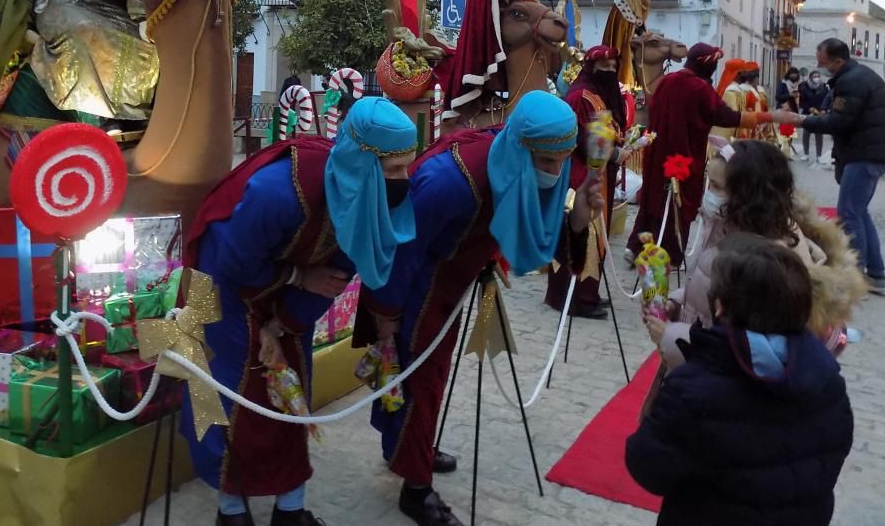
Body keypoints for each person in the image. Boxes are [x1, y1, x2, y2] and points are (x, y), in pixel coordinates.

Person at [179, 97, 418, 526]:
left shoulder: (365, 199)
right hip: (220, 284)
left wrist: (282, 322)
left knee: (291, 389)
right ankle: (231, 512)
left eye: (408, 166)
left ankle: (290, 510)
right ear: (361, 164)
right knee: (230, 393)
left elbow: (334, 277)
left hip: (283, 285)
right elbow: (234, 262)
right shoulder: (277, 192)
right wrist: (293, 280)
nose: (405, 181)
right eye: (394, 170)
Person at [359, 91, 584, 526]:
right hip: (418, 283)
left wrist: (576, 218)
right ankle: (415, 486)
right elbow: (400, 247)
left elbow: (536, 227)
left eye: (562, 161)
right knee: (420, 378)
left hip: (456, 274)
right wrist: (386, 313)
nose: (557, 174)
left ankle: (408, 448)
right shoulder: (448, 183)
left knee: (428, 380)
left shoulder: (519, 159)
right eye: (549, 163)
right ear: (523, 148)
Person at [626, 233, 854, 526]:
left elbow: (647, 466)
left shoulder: (695, 389)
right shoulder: (828, 383)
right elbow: (831, 458)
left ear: (720, 307)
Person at [648, 140, 866, 370]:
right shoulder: (730, 225)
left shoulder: (764, 257)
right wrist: (678, 304)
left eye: (717, 186)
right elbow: (710, 290)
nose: (709, 194)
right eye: (708, 184)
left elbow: (747, 352)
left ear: (747, 193)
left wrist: (672, 336)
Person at [625, 43, 780, 263]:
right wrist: (767, 118)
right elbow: (725, 116)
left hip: (657, 152)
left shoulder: (667, 81)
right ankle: (670, 252)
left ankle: (637, 246)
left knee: (654, 196)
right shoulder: (700, 88)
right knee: (678, 203)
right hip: (683, 156)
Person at [781, 38, 885, 296]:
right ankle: (877, 275)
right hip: (872, 152)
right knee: (860, 212)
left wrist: (801, 120)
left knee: (849, 213)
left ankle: (855, 275)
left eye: (825, 64)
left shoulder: (850, 81)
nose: (822, 68)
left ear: (839, 60)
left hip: (864, 154)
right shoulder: (858, 75)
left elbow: (838, 122)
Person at [545, 44, 628, 320]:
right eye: (604, 67)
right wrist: (611, 152)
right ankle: (573, 297)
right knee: (583, 232)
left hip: (599, 172)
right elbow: (580, 136)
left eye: (613, 68)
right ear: (592, 68)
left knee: (597, 234)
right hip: (581, 173)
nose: (610, 71)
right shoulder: (581, 96)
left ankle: (588, 292)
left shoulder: (599, 95)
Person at [797, 70, 830, 164]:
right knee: (806, 134)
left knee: (819, 135)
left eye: (818, 76)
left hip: (820, 113)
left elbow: (827, 99)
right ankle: (806, 154)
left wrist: (824, 109)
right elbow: (802, 102)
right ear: (811, 77)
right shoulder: (805, 87)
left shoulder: (824, 87)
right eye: (815, 76)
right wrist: (809, 108)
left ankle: (819, 156)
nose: (817, 78)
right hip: (808, 113)